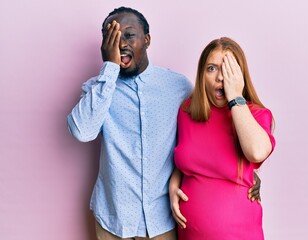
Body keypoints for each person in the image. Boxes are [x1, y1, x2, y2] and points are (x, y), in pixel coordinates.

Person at [67, 6, 262, 240]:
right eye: (112, 37)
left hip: (163, 221)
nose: (120, 44)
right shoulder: (99, 88)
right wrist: (109, 69)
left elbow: (207, 135)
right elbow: (82, 131)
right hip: (113, 220)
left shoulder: (179, 87)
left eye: (128, 35)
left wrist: (246, 173)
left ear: (147, 40)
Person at [169, 37, 276, 239]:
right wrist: (173, 187)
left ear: (240, 75)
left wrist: (235, 97)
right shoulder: (187, 112)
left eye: (228, 69)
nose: (220, 77)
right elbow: (184, 160)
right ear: (202, 74)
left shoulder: (256, 115)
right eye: (211, 68)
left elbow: (256, 152)